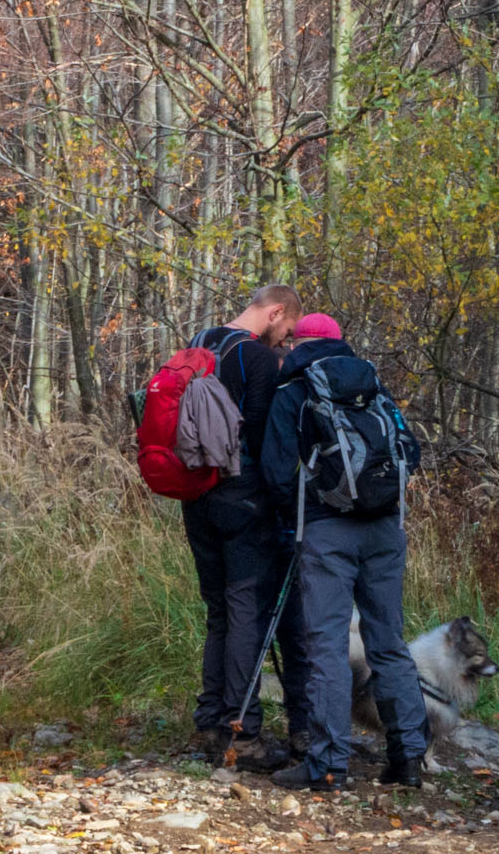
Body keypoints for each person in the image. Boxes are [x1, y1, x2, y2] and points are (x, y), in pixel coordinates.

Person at [260, 312, 429, 790]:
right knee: (389, 644)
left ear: (301, 342)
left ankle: (327, 762)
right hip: (384, 529)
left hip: (326, 533)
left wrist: (309, 502)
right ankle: (409, 758)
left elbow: (274, 473)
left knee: (326, 646)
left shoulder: (293, 390)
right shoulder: (372, 386)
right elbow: (409, 453)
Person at [183, 282, 312, 768]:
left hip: (197, 496)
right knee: (245, 613)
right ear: (276, 312)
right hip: (243, 499)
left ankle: (211, 721)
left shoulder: (202, 340)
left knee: (219, 610)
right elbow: (263, 439)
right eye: (287, 331)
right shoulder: (256, 360)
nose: (285, 341)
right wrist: (284, 504)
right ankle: (243, 733)